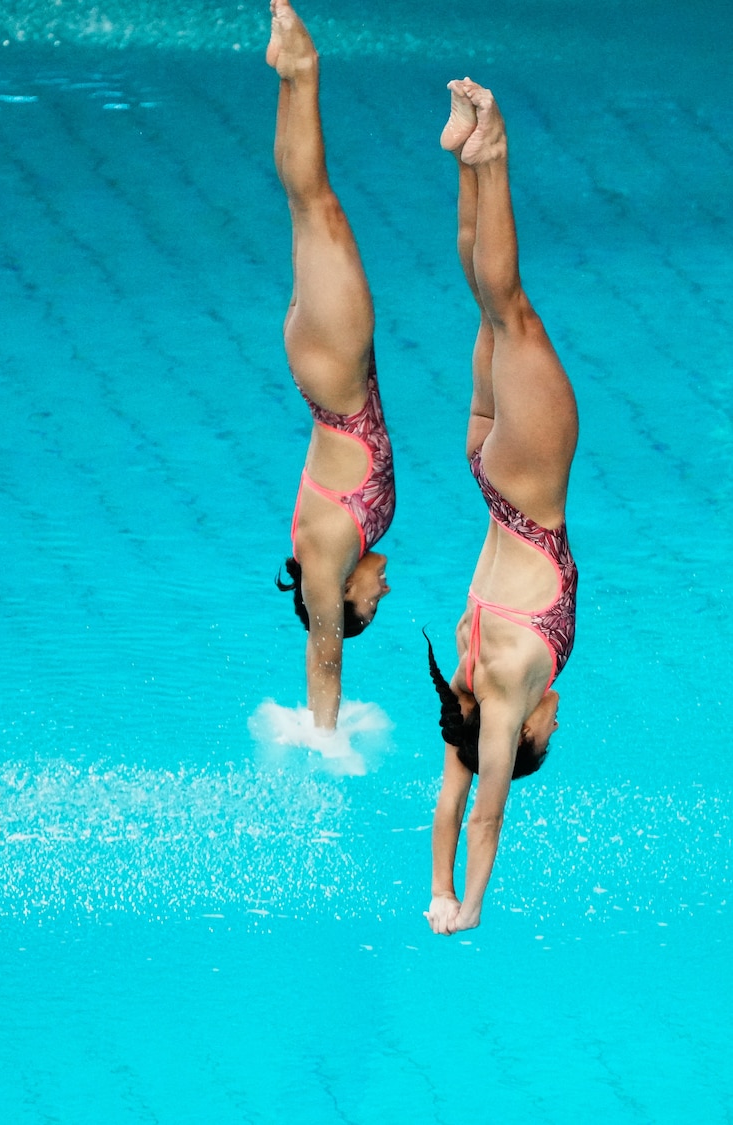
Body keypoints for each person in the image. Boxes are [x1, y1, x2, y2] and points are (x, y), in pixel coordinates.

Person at [424, 79, 579, 935]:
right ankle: (466, 157)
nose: (560, 717)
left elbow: (484, 811)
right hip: (487, 472)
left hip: (528, 482)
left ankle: (495, 151)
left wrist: (471, 905)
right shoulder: (466, 683)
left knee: (511, 310)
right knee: (487, 308)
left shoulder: (516, 691)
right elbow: (448, 807)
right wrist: (436, 890)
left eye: (551, 732)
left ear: (529, 733)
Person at [267, 0, 395, 731]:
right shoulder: (346, 541)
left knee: (318, 206)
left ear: (344, 596)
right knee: (308, 207)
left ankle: (302, 69)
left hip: (336, 374)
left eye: (370, 605)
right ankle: (288, 72)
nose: (382, 592)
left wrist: (327, 739)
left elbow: (323, 655)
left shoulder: (326, 560)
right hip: (331, 370)